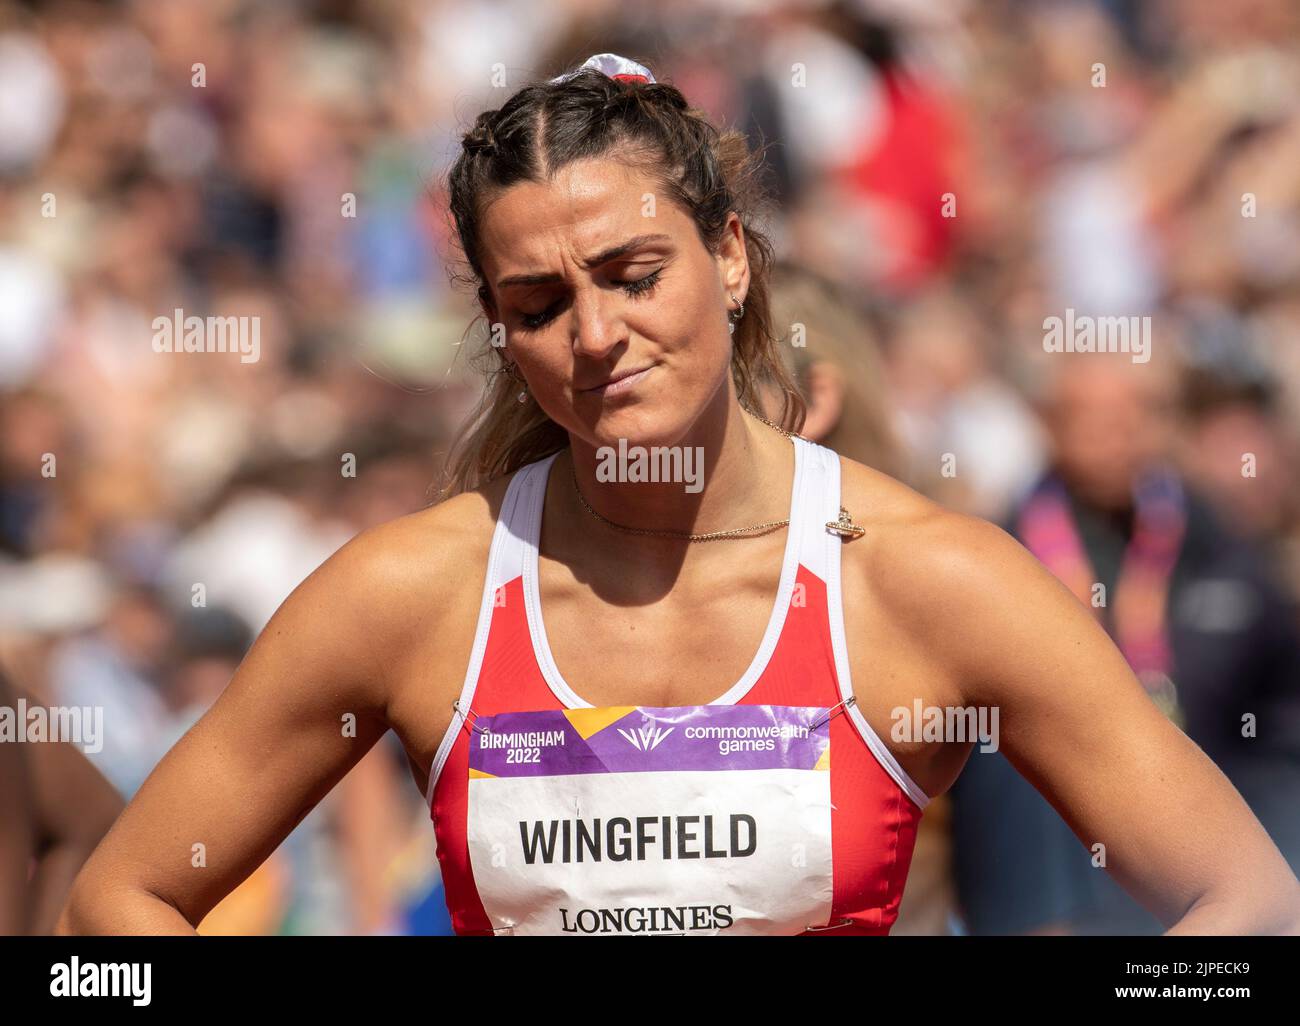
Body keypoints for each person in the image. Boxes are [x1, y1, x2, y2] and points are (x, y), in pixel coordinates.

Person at [59, 54, 1300, 936]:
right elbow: (118, 907)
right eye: (538, 307)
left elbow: (1244, 899)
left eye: (633, 273)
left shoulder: (927, 578)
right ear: (499, 330)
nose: (594, 335)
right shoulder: (413, 592)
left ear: (730, 256)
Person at [950, 351, 1300, 934]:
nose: (1116, 437)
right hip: (1057, 879)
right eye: (1092, 418)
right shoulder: (995, 554)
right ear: (1049, 423)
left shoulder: (1221, 544)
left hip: (1210, 861)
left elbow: (1281, 724)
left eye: (1133, 416)